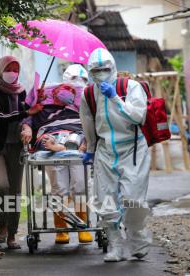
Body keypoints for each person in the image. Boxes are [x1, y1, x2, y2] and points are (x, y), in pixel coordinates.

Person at [80, 48, 151, 262]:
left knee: (133, 200)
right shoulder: (88, 94)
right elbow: (88, 123)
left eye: (105, 69)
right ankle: (116, 245)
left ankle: (137, 240)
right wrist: (90, 149)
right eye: (96, 70)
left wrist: (115, 98)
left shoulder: (131, 87)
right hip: (105, 150)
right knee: (105, 201)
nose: (101, 73)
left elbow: (138, 116)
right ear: (89, 71)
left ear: (113, 68)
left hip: (133, 148)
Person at [21, 67, 93, 244]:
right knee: (59, 189)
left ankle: (82, 224)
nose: (76, 84)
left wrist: (89, 138)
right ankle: (61, 229)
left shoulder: (87, 100)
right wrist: (27, 126)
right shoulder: (42, 97)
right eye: (74, 79)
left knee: (80, 186)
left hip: (77, 135)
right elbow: (28, 117)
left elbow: (93, 121)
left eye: (81, 79)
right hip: (50, 135)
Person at [0, 56, 43, 249]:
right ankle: (2, 225)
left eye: (16, 69)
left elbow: (27, 115)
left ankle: (12, 234)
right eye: (9, 68)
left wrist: (35, 103)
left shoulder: (21, 91)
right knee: (1, 185)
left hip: (16, 146)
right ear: (0, 70)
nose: (13, 73)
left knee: (15, 192)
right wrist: (27, 113)